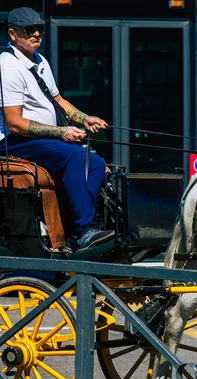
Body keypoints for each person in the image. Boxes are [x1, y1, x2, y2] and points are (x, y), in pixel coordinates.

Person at [0, 7, 114, 253]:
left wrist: (84, 118)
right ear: (12, 34)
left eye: (40, 28)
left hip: (39, 140)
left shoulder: (40, 61)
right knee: (74, 156)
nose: (36, 34)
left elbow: (59, 101)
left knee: (95, 163)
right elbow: (14, 123)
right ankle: (84, 230)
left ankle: (73, 229)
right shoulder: (7, 65)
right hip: (13, 140)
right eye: (29, 30)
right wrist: (61, 133)